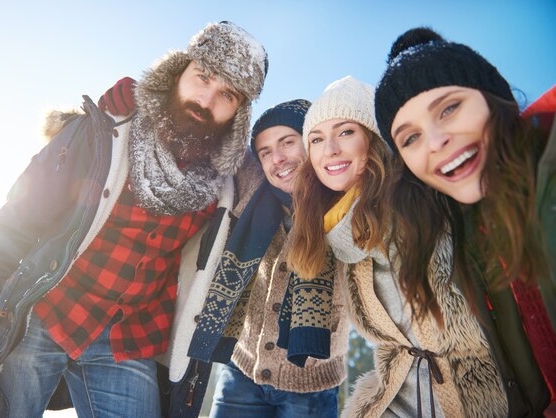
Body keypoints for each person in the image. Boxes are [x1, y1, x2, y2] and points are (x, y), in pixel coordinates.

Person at [0, 21, 268, 418]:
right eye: (203, 77)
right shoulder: (103, 134)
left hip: (129, 337)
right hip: (47, 310)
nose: (205, 99)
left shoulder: (229, 184)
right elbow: (9, 228)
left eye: (226, 94)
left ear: (239, 113)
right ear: (181, 69)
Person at [283, 75, 510, 417]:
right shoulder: (331, 229)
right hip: (396, 397)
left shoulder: (422, 200)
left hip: (479, 394)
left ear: (373, 140)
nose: (329, 149)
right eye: (316, 139)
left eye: (346, 132)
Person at [374, 27, 556, 416]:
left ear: (494, 98)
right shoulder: (454, 232)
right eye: (410, 138)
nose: (436, 140)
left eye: (449, 108)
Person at [186, 99, 350, 418]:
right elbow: (215, 136)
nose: (277, 158)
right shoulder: (254, 190)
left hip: (311, 388)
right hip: (242, 373)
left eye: (288, 142)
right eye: (264, 152)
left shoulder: (346, 202)